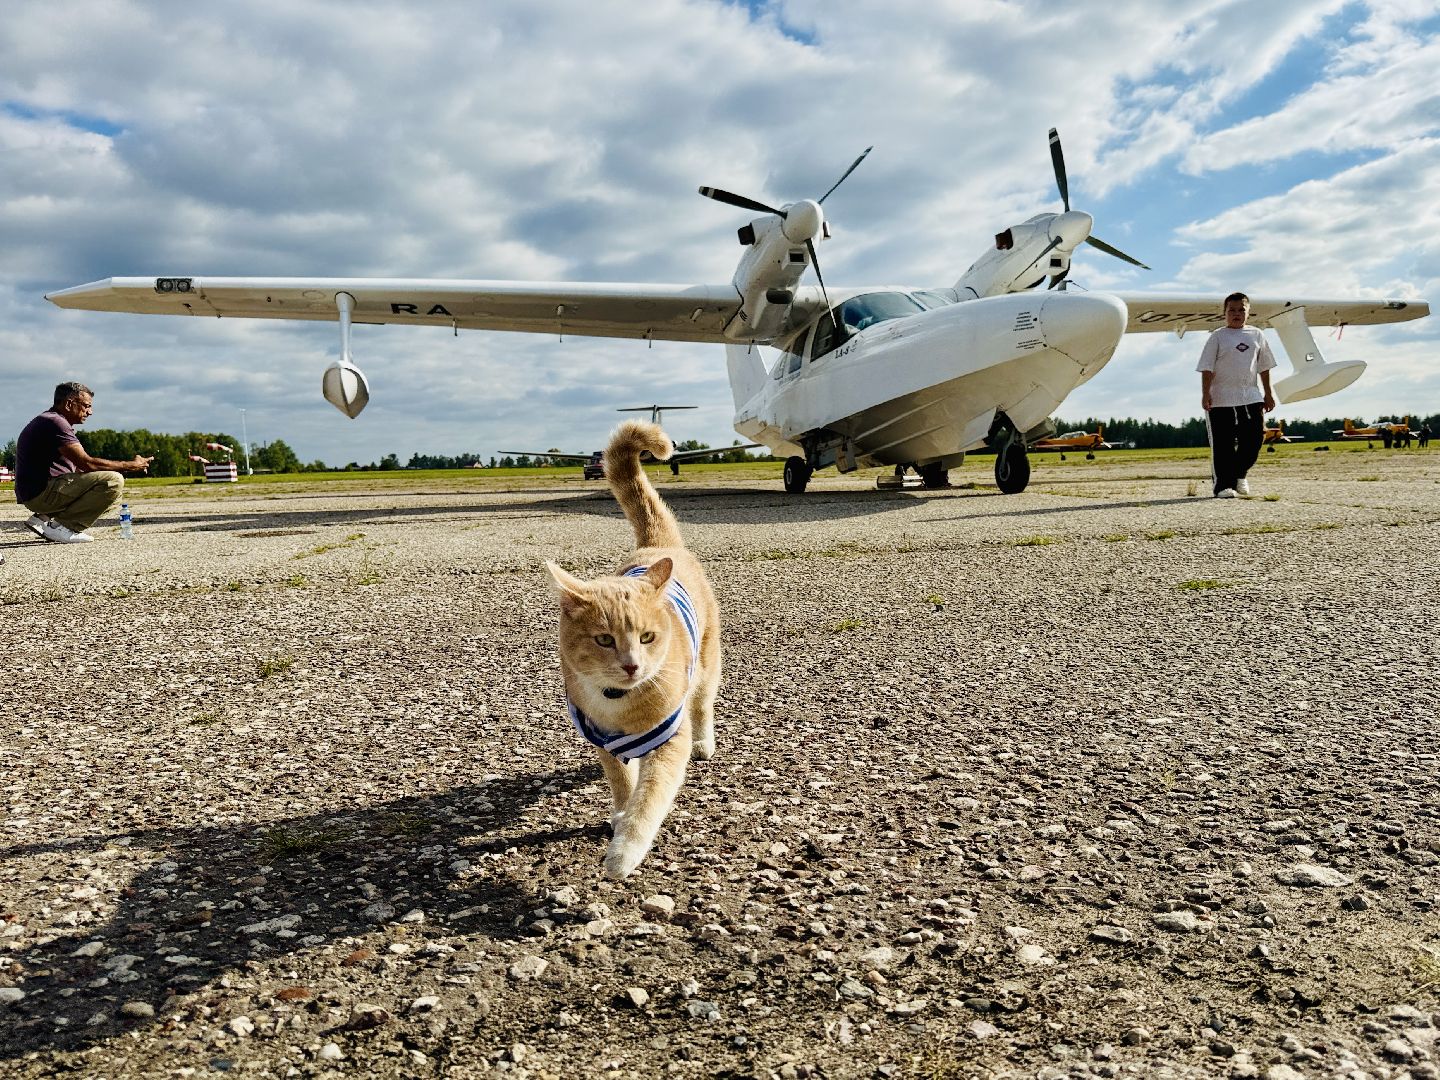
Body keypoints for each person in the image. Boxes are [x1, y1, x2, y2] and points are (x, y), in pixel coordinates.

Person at [14, 382, 154, 543]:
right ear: (68, 404)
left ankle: (42, 518)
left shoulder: (50, 420)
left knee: (112, 494)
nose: (90, 412)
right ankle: (63, 528)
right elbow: (87, 463)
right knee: (113, 482)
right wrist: (131, 465)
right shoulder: (55, 423)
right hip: (41, 495)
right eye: (86, 406)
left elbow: (80, 468)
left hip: (37, 493)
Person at [1197, 292, 1276, 498]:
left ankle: (1240, 474)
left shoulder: (1257, 335)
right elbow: (1207, 368)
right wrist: (1205, 394)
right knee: (1223, 444)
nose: (1236, 314)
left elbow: (1264, 367)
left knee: (1254, 439)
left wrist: (1268, 393)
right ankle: (1224, 486)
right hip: (1221, 398)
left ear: (1248, 312)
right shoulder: (1217, 337)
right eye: (1232, 310)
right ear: (1225, 313)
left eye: (1241, 310)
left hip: (1250, 396)